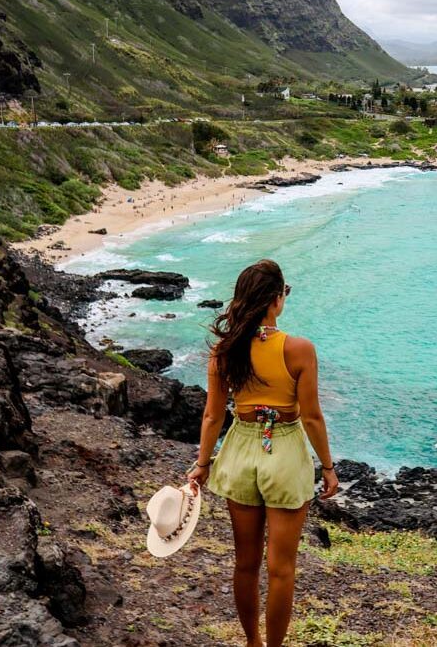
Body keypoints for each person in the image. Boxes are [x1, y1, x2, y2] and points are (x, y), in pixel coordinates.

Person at [187, 259, 339, 647]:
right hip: (284, 452)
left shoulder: (225, 350)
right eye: (283, 293)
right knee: (281, 569)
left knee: (245, 563)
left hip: (239, 452)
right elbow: (313, 418)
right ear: (276, 300)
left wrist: (203, 464)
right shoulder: (299, 349)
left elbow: (212, 415)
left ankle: (252, 643)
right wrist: (328, 467)